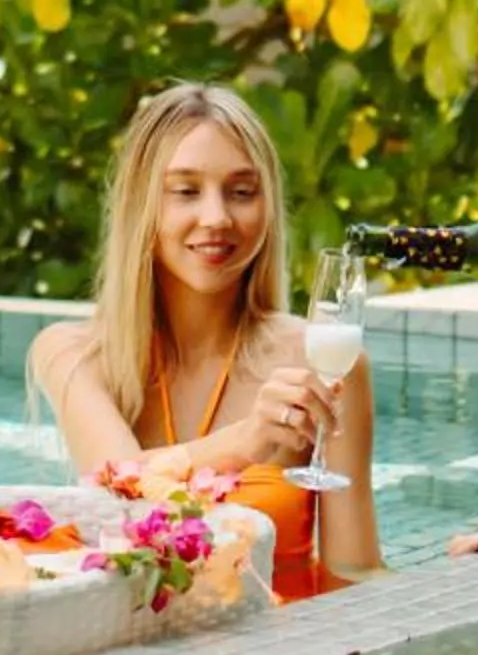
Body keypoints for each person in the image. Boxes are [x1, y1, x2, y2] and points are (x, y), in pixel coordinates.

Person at [29, 82, 383, 599]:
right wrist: (247, 441)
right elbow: (115, 494)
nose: (217, 218)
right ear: (141, 206)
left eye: (242, 192)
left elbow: (355, 576)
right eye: (186, 191)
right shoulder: (73, 353)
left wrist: (460, 577)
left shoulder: (325, 363)